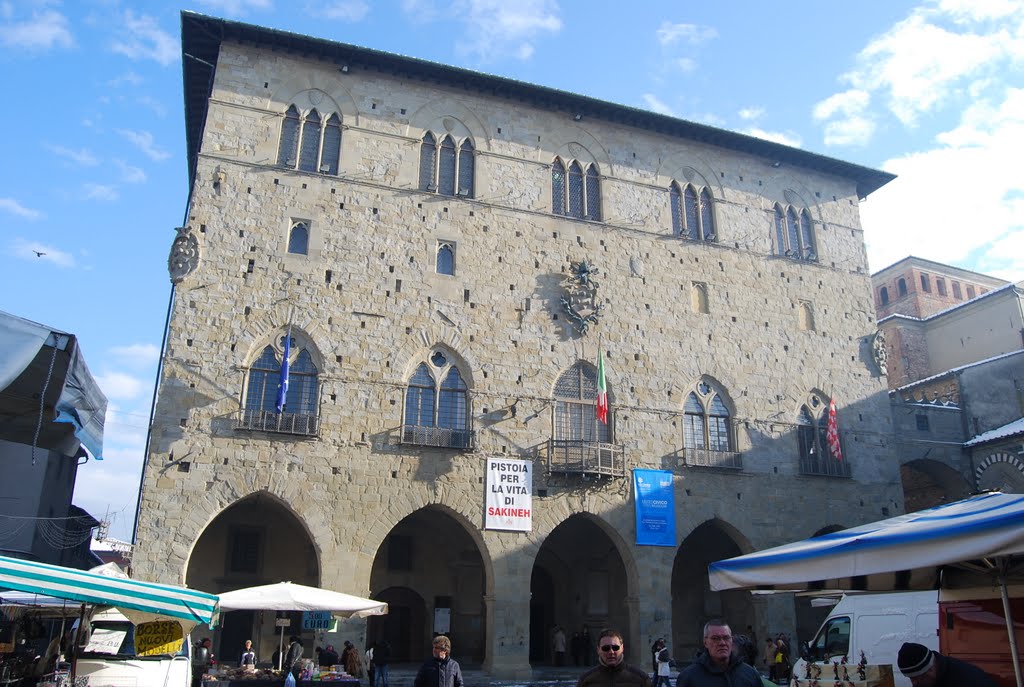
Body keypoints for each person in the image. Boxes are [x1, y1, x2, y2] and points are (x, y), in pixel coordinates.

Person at [676, 620, 760, 687]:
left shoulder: (750, 674)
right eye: (715, 638)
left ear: (731, 641)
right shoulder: (688, 677)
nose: (722, 643)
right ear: (705, 642)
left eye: (726, 638)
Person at [897, 642, 998, 687]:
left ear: (930, 671)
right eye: (910, 678)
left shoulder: (968, 681)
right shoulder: (929, 681)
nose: (913, 683)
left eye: (915, 678)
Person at [576, 628, 651, 687]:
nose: (611, 652)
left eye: (615, 648)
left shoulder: (641, 679)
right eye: (606, 648)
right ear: (598, 650)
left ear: (622, 648)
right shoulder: (586, 680)